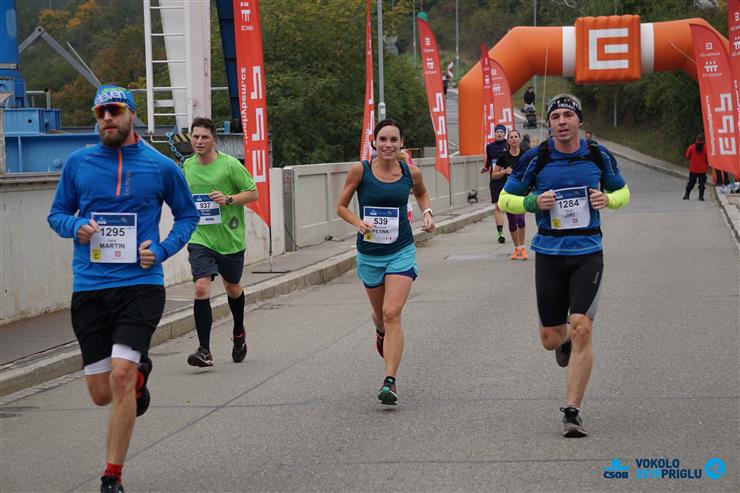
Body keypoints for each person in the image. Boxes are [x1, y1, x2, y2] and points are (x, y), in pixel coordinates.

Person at [48, 85, 199, 492]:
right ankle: (138, 378)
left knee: (119, 377)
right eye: (100, 113)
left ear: (131, 114)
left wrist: (162, 250)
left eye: (114, 111)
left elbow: (187, 215)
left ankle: (111, 475)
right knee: (101, 393)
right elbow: (57, 213)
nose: (107, 119)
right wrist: (75, 226)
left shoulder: (161, 167)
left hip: (140, 285)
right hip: (90, 287)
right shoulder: (78, 163)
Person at [499, 94, 630, 438]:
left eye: (567, 116)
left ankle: (572, 411)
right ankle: (564, 339)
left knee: (583, 325)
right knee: (550, 338)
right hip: (549, 254)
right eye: (555, 116)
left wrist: (608, 199)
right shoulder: (537, 157)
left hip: (588, 252)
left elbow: (623, 193)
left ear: (579, 121)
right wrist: (532, 201)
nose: (561, 122)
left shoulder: (598, 155)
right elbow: (504, 199)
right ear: (549, 123)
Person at [337, 119, 435, 405]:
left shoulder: (410, 172)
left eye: (394, 140)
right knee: (381, 316)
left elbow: (421, 193)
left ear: (402, 143)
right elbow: (341, 206)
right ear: (374, 143)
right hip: (370, 254)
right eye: (383, 139)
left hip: (401, 250)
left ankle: (389, 381)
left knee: (392, 313)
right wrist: (357, 222)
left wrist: (427, 212)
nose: (388, 145)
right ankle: (380, 331)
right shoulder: (360, 171)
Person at [182, 117, 258, 367]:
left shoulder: (230, 165)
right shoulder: (187, 166)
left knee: (232, 287)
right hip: (200, 236)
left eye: (204, 137)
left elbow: (253, 192)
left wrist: (227, 199)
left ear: (214, 140)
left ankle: (239, 332)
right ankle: (204, 350)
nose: (199, 141)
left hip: (229, 238)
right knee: (201, 287)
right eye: (195, 136)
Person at [493, 129, 528, 260]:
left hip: (521, 191)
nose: (513, 139)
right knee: (512, 221)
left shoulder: (525, 155)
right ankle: (516, 248)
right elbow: (494, 175)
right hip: (508, 192)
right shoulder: (503, 156)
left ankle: (522, 247)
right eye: (511, 137)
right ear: (508, 140)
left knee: (520, 219)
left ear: (519, 139)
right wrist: (504, 171)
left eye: (516, 137)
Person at [481, 124, 509, 244]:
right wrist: (486, 168)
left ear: (504, 134)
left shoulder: (508, 145)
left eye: (501, 132)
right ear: (495, 133)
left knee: (509, 206)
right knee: (498, 206)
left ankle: (515, 228)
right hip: (495, 179)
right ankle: (500, 233)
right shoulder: (490, 147)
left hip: (508, 178)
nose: (499, 133)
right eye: (497, 132)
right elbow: (489, 160)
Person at [683, 134, 708, 201]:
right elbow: (708, 159)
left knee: (691, 183)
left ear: (696, 140)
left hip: (693, 169)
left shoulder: (691, 147)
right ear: (703, 140)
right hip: (702, 170)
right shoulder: (706, 148)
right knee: (702, 184)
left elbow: (687, 156)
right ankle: (701, 197)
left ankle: (687, 195)